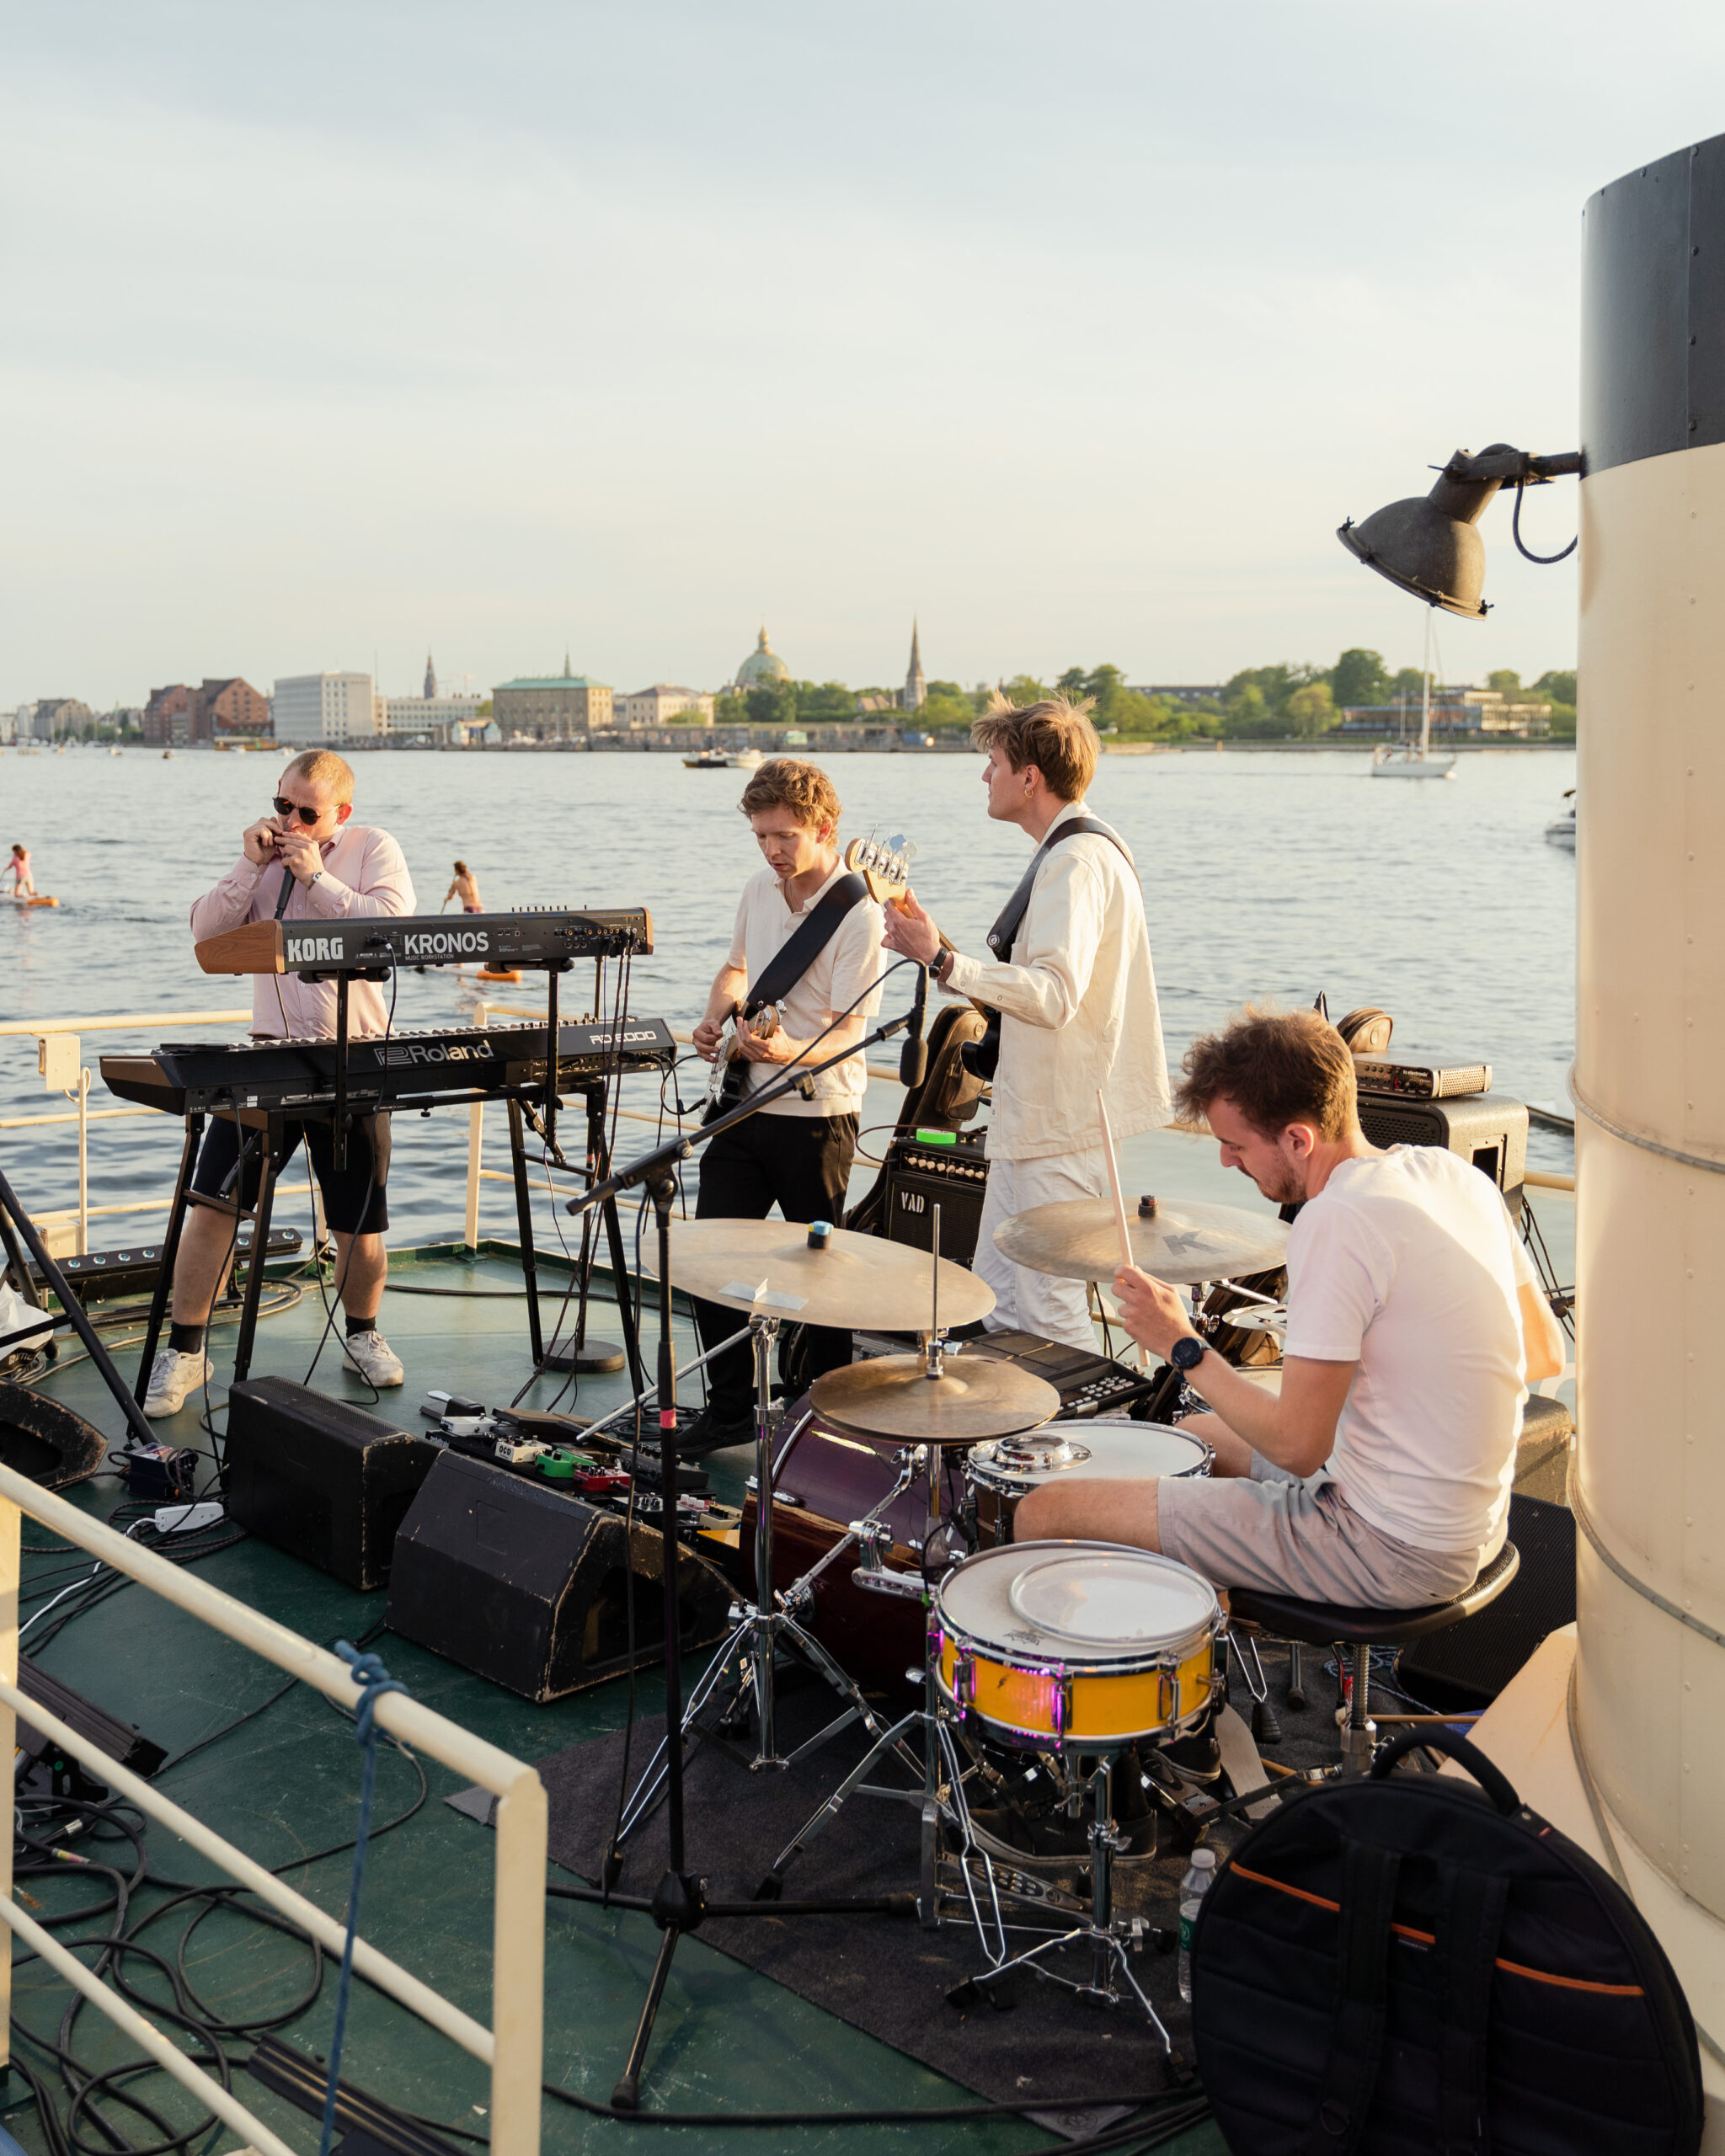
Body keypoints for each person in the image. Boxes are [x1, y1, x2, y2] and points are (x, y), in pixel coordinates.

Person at [1015, 1006, 1567, 1613]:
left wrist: (1181, 1344)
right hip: (1477, 1527)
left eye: (1235, 1145)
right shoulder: (1450, 1174)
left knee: (1046, 1510)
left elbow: (1298, 1447)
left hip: (1386, 1548)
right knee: (1193, 1438)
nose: (1226, 1161)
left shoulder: (1337, 1219)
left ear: (1298, 1139)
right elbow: (1545, 1350)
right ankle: (1213, 1614)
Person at [881, 694, 1170, 1351]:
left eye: (994, 762)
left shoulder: (1073, 861)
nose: (985, 775)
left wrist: (943, 959)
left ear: (1030, 777)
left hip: (1060, 1122)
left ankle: (1064, 1447)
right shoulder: (1075, 850)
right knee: (1003, 1293)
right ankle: (1015, 1446)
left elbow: (1054, 994)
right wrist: (934, 951)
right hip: (1037, 1118)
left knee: (1047, 1305)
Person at [143, 750, 417, 1417]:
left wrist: (316, 878)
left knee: (359, 1219)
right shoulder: (262, 864)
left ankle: (363, 1334)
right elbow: (207, 934)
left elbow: (391, 931)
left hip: (355, 1060)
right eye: (280, 806)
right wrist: (248, 865)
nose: (288, 821)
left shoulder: (373, 849)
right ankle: (185, 1349)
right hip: (268, 1060)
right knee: (214, 1205)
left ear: (339, 816)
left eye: (305, 812)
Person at [686, 760, 885, 1449]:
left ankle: (822, 1417)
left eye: (785, 836)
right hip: (744, 1109)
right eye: (761, 836)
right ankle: (731, 1406)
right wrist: (715, 1016)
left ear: (825, 828)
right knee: (709, 1258)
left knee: (822, 1279)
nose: (772, 851)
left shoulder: (860, 911)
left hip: (818, 1117)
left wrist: (785, 1050)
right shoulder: (758, 889)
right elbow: (737, 968)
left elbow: (848, 1031)